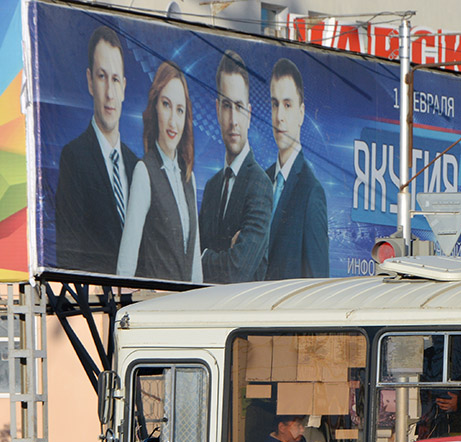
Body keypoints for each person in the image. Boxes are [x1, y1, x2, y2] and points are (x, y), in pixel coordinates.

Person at [55, 26, 138, 274]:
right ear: (90, 81)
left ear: (123, 87)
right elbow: (68, 253)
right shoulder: (73, 158)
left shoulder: (137, 166)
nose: (110, 94)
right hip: (96, 303)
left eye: (115, 79)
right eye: (102, 77)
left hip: (140, 302)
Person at [116, 61, 202, 283]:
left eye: (180, 110)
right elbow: (126, 262)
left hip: (186, 310)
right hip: (157, 306)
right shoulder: (144, 171)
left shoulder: (188, 177)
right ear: (155, 107)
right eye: (166, 105)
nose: (173, 121)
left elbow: (194, 264)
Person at [200, 50, 273, 284]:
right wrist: (224, 254)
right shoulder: (212, 187)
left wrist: (202, 257)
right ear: (217, 111)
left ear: (249, 114)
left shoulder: (260, 185)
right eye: (226, 106)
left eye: (239, 107)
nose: (233, 120)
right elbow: (187, 267)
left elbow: (237, 271)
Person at [265, 58, 328, 280]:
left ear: (301, 113)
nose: (279, 116)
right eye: (275, 104)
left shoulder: (311, 192)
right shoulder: (260, 181)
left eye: (287, 105)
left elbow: (317, 284)